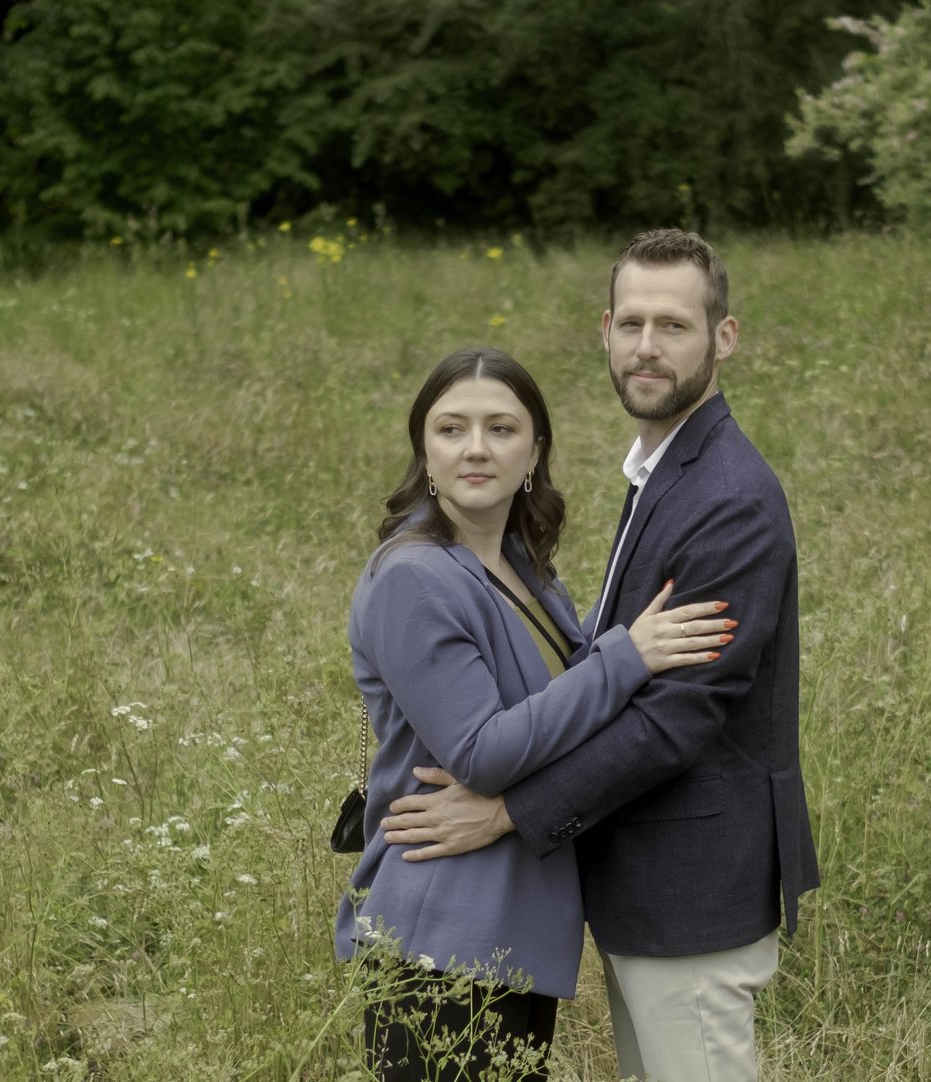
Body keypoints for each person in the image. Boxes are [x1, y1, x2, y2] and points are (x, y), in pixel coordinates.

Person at [379, 230, 819, 1082]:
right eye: (632, 324)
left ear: (723, 338)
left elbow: (676, 721)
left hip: (691, 891)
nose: (647, 348)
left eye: (675, 326)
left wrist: (507, 814)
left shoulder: (727, 496)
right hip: (644, 883)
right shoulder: (663, 469)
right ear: (605, 331)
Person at [339, 345, 737, 1080]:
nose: (476, 449)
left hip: (508, 927)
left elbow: (566, 714)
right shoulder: (414, 578)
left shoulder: (523, 569)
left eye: (501, 428)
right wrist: (628, 656)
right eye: (452, 430)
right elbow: (483, 753)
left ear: (535, 452)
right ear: (424, 451)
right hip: (442, 928)